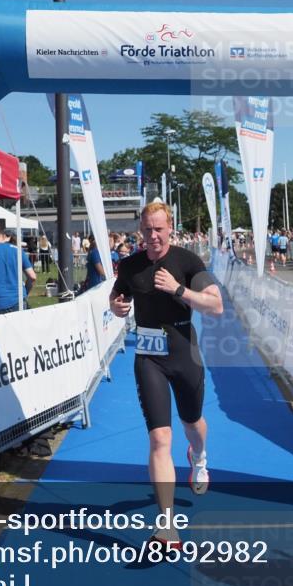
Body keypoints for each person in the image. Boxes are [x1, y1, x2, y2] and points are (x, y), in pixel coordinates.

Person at [109, 202, 223, 550]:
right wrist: (115, 305)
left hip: (184, 354)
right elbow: (117, 295)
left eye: (159, 229)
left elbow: (215, 306)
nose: (153, 236)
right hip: (149, 359)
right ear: (140, 230)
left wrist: (178, 289)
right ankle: (167, 526)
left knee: (193, 423)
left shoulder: (188, 261)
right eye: (147, 229)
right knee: (160, 439)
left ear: (170, 228)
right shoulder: (130, 265)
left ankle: (199, 457)